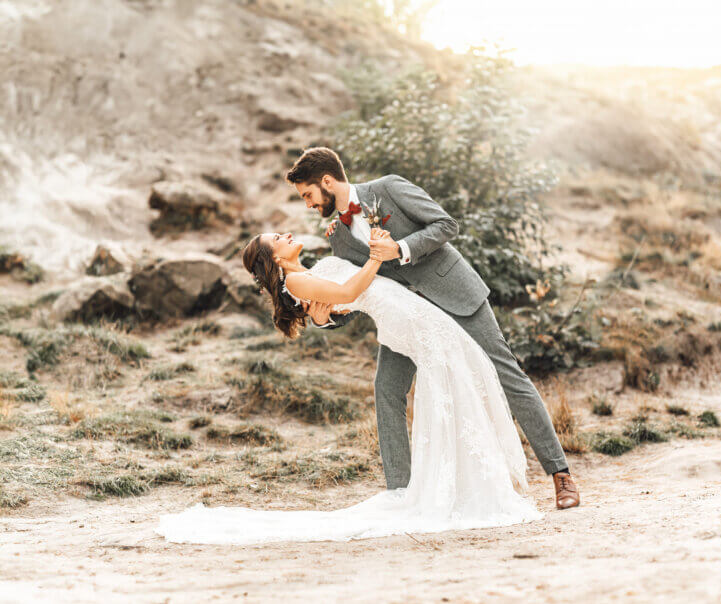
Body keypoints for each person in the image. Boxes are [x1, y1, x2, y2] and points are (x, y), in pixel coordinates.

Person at [155, 227, 543, 544]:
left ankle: (466, 482)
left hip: (409, 316)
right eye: (279, 238)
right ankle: (462, 487)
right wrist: (376, 257)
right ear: (275, 258)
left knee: (460, 378)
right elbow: (347, 293)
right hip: (410, 321)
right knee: (451, 384)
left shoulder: (307, 272)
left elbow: (339, 295)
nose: (287, 234)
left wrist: (343, 237)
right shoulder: (298, 282)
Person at [286, 147, 579, 510]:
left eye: (309, 195)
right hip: (409, 320)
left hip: (454, 293)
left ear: (327, 181)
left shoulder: (389, 188)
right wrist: (325, 319)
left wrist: (401, 249)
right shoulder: (338, 237)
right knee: (386, 389)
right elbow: (357, 290)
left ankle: (560, 474)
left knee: (507, 374)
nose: (309, 205)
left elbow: (445, 225)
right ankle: (400, 494)